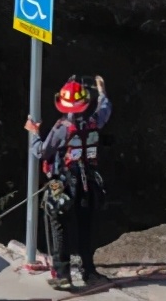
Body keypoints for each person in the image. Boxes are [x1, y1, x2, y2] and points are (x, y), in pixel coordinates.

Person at [25, 75, 111, 290]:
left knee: (59, 226)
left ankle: (63, 274)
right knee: (85, 227)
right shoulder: (94, 121)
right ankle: (89, 270)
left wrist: (34, 134)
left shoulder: (62, 127)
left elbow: (43, 152)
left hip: (62, 183)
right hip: (89, 183)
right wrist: (102, 92)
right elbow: (105, 108)